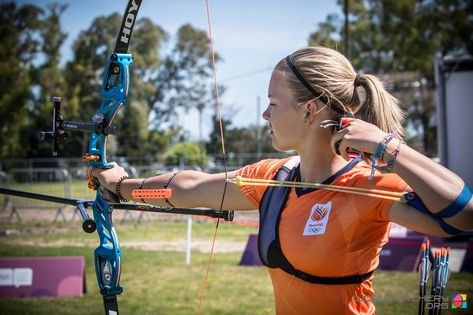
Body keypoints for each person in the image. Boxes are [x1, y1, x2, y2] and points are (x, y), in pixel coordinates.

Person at [92, 46, 473, 315]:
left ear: (309, 110)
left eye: (273, 103)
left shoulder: (366, 188)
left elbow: (464, 215)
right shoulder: (275, 177)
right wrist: (122, 185)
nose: (264, 113)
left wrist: (389, 149)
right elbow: (189, 187)